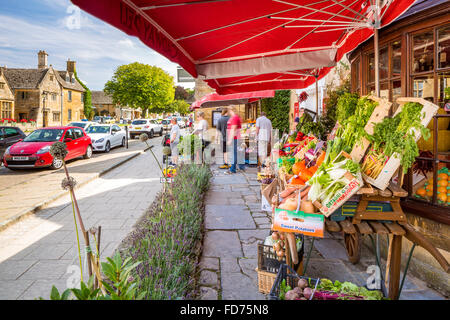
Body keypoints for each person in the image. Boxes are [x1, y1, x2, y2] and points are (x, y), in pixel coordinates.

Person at [226, 106, 245, 174]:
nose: (228, 112)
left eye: (229, 110)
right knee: (237, 153)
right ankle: (241, 167)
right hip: (236, 138)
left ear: (231, 110)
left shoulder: (234, 117)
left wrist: (230, 139)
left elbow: (233, 129)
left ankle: (232, 169)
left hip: (235, 138)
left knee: (234, 154)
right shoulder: (235, 117)